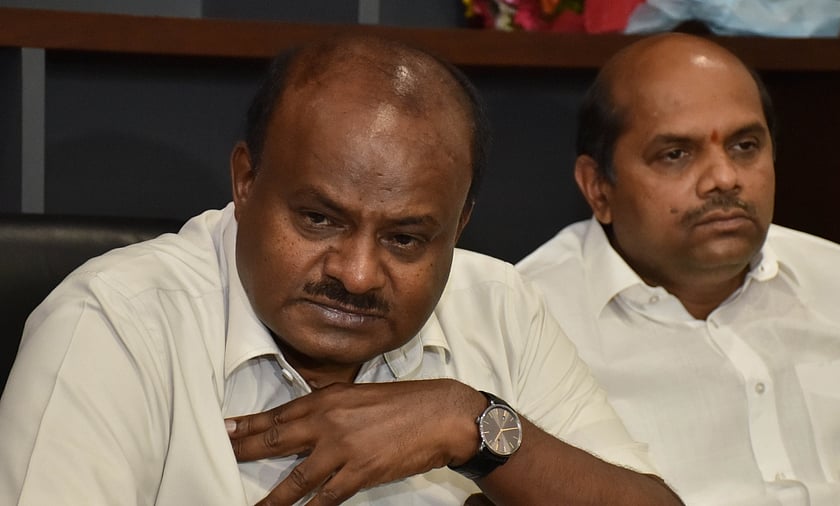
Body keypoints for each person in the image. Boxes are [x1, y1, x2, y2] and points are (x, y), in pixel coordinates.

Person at [0, 35, 683, 506]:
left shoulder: (498, 304)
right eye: (320, 220)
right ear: (245, 181)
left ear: (461, 224)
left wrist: (470, 425)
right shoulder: (113, 324)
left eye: (407, 238)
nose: (357, 275)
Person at [516, 32, 840, 505]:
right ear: (598, 188)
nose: (724, 178)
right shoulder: (527, 324)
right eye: (676, 154)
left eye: (744, 146)